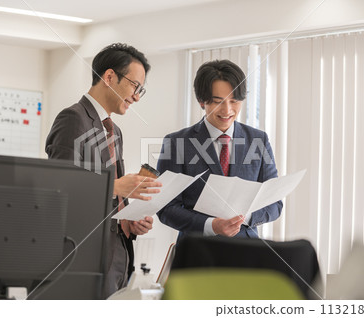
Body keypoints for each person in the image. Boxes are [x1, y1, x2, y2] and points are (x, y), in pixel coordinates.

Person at [45, 43, 162, 299]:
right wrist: (117, 187)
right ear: (109, 77)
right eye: (134, 86)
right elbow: (59, 187)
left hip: (116, 256)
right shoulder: (73, 118)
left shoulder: (113, 130)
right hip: (84, 257)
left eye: (141, 89)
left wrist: (129, 220)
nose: (137, 96)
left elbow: (110, 197)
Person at [157, 59, 282, 239]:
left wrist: (245, 217)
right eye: (218, 101)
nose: (227, 110)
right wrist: (212, 226)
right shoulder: (177, 142)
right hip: (196, 253)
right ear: (202, 101)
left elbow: (274, 203)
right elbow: (166, 208)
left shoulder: (258, 140)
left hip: (247, 253)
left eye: (234, 101)